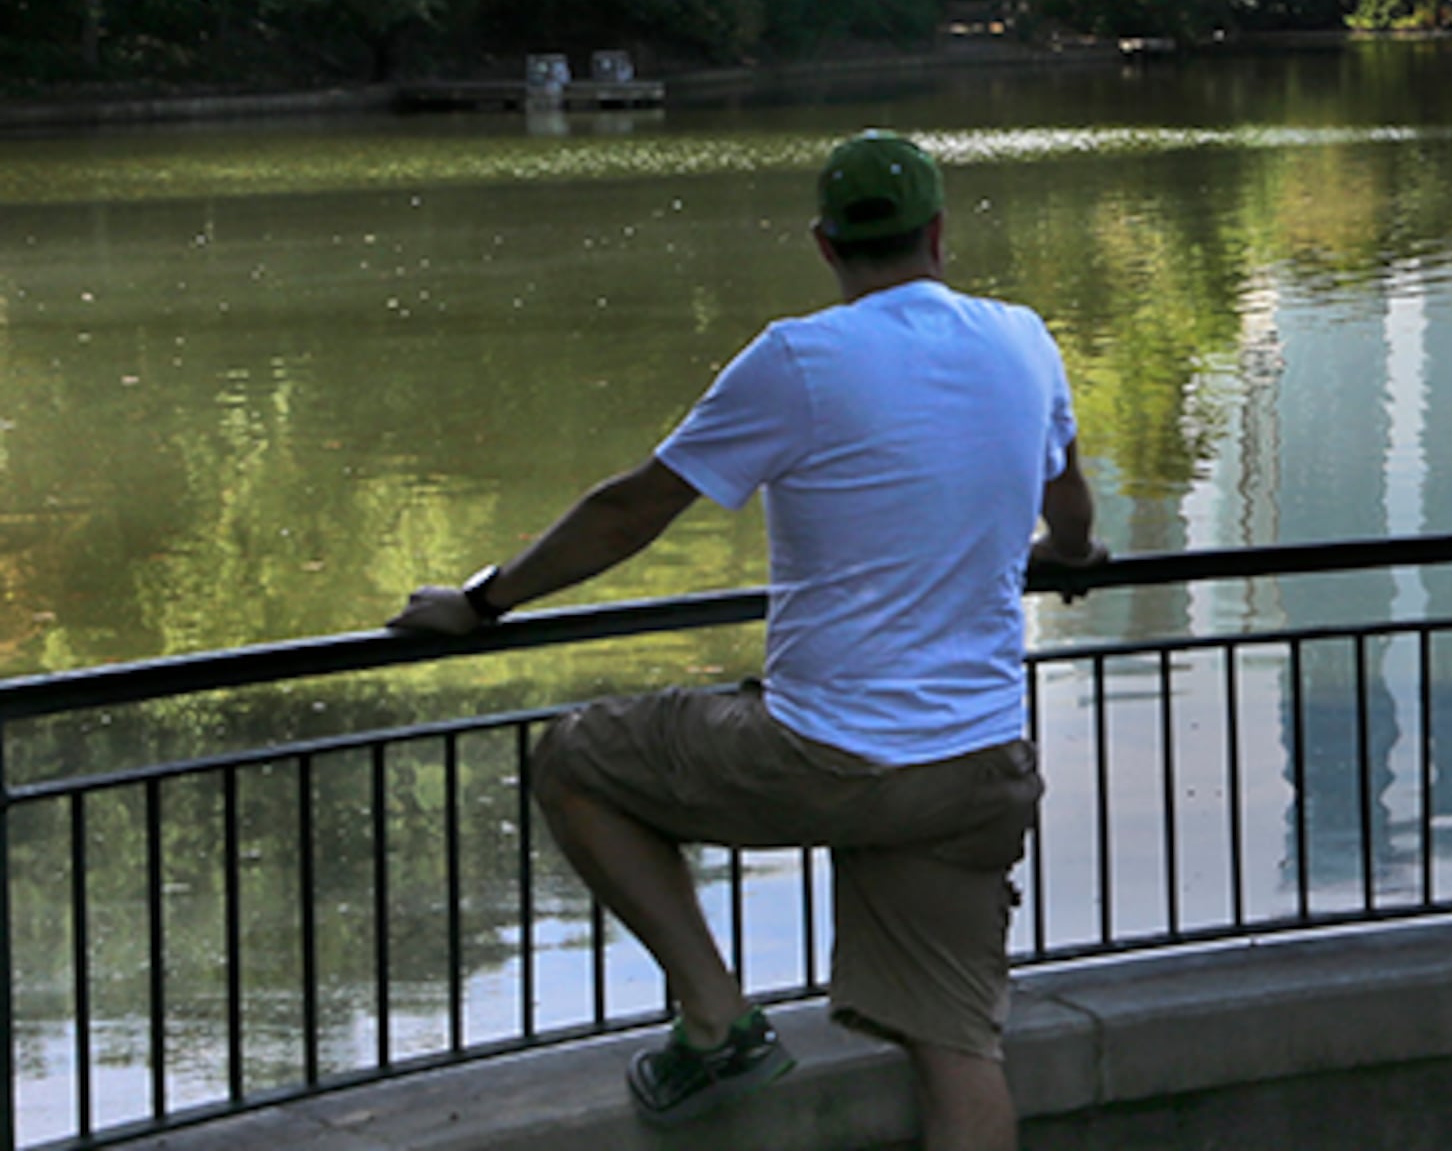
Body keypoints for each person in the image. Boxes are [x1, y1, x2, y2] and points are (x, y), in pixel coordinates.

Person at [391, 129, 1107, 1148]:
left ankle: (717, 1017)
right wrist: (1068, 555)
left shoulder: (800, 360)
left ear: (824, 245)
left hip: (828, 753)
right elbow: (1072, 512)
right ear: (940, 234)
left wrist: (484, 600)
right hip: (977, 764)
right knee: (960, 1049)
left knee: (576, 760)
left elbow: (630, 511)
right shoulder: (1025, 340)